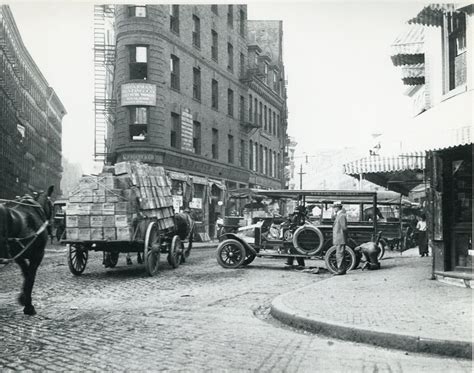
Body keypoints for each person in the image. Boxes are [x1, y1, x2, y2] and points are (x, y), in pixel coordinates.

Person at [332, 201, 348, 275]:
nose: (334, 208)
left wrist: (342, 234)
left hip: (340, 237)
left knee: (339, 254)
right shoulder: (339, 215)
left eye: (335, 207)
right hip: (340, 237)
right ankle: (342, 269)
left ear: (338, 207)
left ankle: (340, 270)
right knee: (340, 254)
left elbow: (344, 228)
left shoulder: (341, 216)